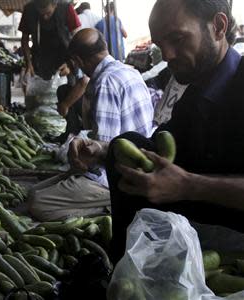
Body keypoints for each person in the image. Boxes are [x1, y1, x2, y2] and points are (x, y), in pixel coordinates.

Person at [69, 0, 244, 263]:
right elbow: (155, 148)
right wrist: (102, 151)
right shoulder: (195, 92)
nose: (169, 55)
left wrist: (188, 186)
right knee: (125, 145)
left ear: (218, 26)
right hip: (198, 220)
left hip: (233, 236)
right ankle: (125, 268)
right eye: (161, 45)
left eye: (178, 39)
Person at [28, 28, 154, 221]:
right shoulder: (129, 71)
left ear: (78, 61)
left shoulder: (105, 82)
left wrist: (79, 160)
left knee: (38, 203)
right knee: (34, 191)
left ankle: (111, 209)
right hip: (134, 167)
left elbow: (103, 151)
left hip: (117, 177)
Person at [19, 0, 81, 81]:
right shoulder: (29, 10)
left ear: (55, 5)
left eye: (48, 13)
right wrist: (28, 64)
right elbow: (24, 39)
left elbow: (78, 38)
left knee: (68, 90)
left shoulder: (66, 8)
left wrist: (71, 63)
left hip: (66, 59)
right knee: (40, 90)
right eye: (41, 14)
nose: (45, 17)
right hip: (40, 60)